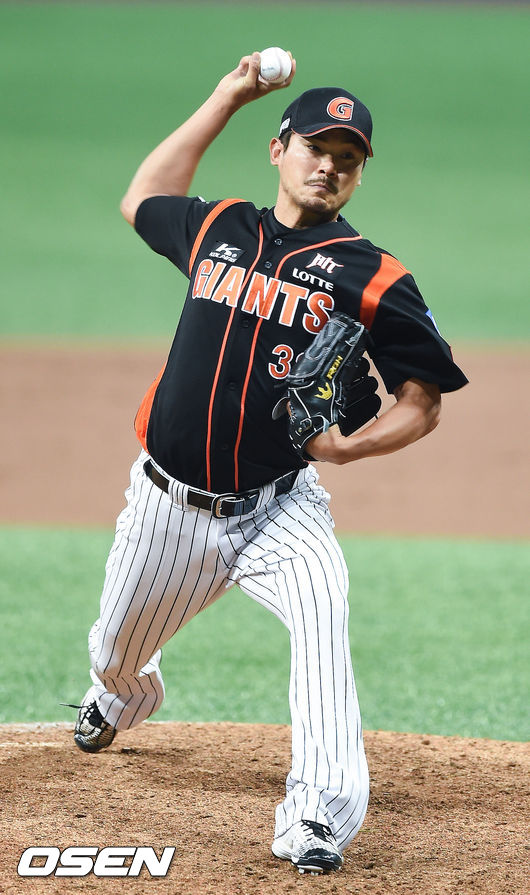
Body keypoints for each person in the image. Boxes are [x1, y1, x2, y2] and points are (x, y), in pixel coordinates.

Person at [71, 52, 468, 874]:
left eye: (348, 157)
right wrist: (227, 94)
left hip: (279, 506)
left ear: (359, 173)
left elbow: (422, 399)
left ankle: (317, 815)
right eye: (317, 147)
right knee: (116, 648)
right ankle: (119, 694)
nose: (330, 165)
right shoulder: (218, 227)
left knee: (324, 613)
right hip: (168, 508)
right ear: (279, 149)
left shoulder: (374, 275)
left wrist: (350, 446)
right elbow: (143, 197)